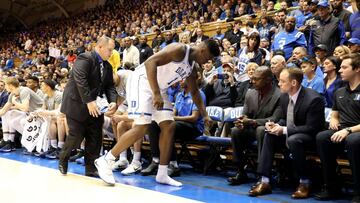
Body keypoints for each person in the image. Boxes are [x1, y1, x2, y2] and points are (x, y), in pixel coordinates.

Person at [95, 39, 220, 186]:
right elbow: (150, 63)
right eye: (208, 58)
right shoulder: (179, 49)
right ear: (203, 50)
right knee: (142, 126)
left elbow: (195, 92)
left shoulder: (191, 68)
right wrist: (156, 93)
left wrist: (205, 115)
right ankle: (106, 160)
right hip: (142, 81)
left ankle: (162, 173)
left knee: (169, 126)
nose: (207, 62)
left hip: (158, 88)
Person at [249, 68, 325, 199]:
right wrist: (275, 124)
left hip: (310, 137)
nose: (279, 84)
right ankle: (265, 181)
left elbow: (313, 127)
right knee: (269, 134)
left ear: (294, 83)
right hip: (292, 133)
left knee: (294, 139)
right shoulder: (284, 96)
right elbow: (286, 118)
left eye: (282, 81)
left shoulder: (314, 99)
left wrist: (284, 130)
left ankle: (304, 182)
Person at [58, 36, 118, 177]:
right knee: (76, 136)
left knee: (95, 138)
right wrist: (89, 101)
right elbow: (81, 79)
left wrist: (113, 101)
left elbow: (110, 86)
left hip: (96, 107)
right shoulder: (85, 58)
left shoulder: (108, 66)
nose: (111, 53)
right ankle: (63, 158)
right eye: (109, 50)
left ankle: (91, 168)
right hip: (77, 104)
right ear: (100, 47)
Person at [315, 53, 360, 203]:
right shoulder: (339, 91)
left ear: (357, 69)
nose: (340, 70)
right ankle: (332, 186)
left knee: (353, 141)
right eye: (340, 67)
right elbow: (335, 114)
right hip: (343, 131)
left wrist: (348, 130)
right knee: (322, 137)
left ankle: (358, 192)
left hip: (355, 132)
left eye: (344, 67)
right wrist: (334, 120)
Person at [228, 66, 282, 185]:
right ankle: (240, 171)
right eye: (252, 78)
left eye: (256, 79)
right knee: (235, 131)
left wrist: (252, 122)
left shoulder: (279, 95)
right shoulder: (250, 93)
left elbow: (275, 119)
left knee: (262, 130)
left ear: (268, 80)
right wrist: (241, 121)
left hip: (272, 133)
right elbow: (245, 115)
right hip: (251, 130)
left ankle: (262, 174)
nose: (252, 81)